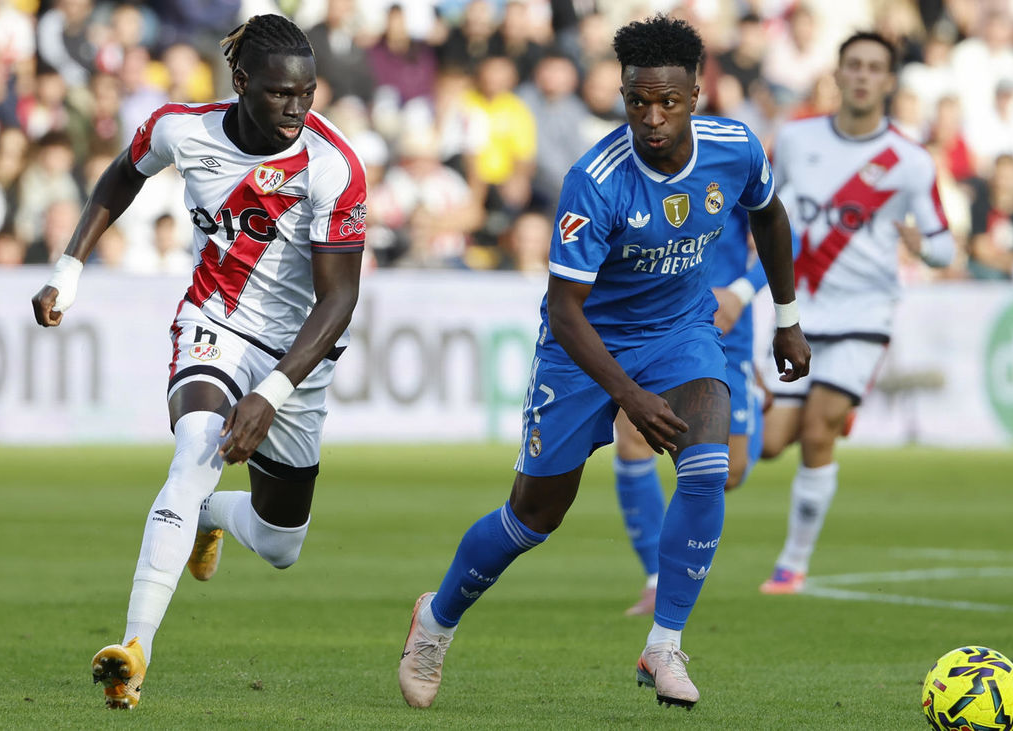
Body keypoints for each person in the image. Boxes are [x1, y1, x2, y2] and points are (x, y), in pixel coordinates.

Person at [396, 15, 811, 711]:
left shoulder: (735, 147)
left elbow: (768, 215)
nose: (651, 118)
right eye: (636, 102)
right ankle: (435, 620)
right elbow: (564, 310)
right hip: (584, 345)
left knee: (707, 463)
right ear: (621, 96)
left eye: (667, 103)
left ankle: (664, 644)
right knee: (534, 516)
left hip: (680, 330)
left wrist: (788, 319)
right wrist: (627, 395)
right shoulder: (596, 179)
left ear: (697, 95)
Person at [30, 14, 367, 709]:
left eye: (307, 94)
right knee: (192, 452)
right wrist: (70, 267)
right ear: (241, 84)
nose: (297, 109)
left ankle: (208, 514)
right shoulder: (181, 129)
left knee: (281, 544)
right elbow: (121, 177)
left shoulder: (334, 167)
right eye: (280, 94)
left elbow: (339, 300)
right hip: (212, 323)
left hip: (298, 358)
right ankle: (133, 650)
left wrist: (271, 393)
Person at [757, 32, 954, 596]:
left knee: (817, 432)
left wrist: (922, 246)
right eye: (854, 66)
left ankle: (792, 565)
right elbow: (767, 202)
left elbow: (944, 244)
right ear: (837, 76)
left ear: (889, 82)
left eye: (875, 68)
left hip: (867, 310)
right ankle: (835, 405)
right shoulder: (795, 138)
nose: (864, 76)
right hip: (800, 307)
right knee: (771, 442)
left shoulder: (910, 162)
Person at [612, 208, 769, 617]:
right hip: (658, 322)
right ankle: (655, 579)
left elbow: (789, 236)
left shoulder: (730, 156)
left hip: (723, 325)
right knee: (631, 434)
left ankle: (754, 401)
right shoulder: (640, 164)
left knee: (728, 472)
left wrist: (742, 291)